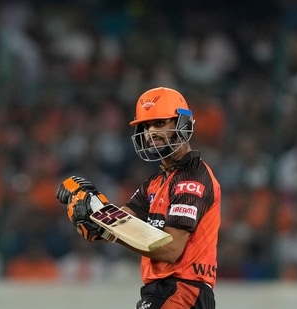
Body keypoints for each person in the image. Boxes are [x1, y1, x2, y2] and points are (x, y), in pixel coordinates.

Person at [56, 87, 221, 308]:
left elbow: (171, 250)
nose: (151, 132)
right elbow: (114, 225)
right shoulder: (155, 182)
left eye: (160, 123)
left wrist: (107, 225)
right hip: (163, 292)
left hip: (183, 290)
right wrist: (88, 207)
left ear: (182, 123)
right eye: (146, 126)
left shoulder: (192, 178)